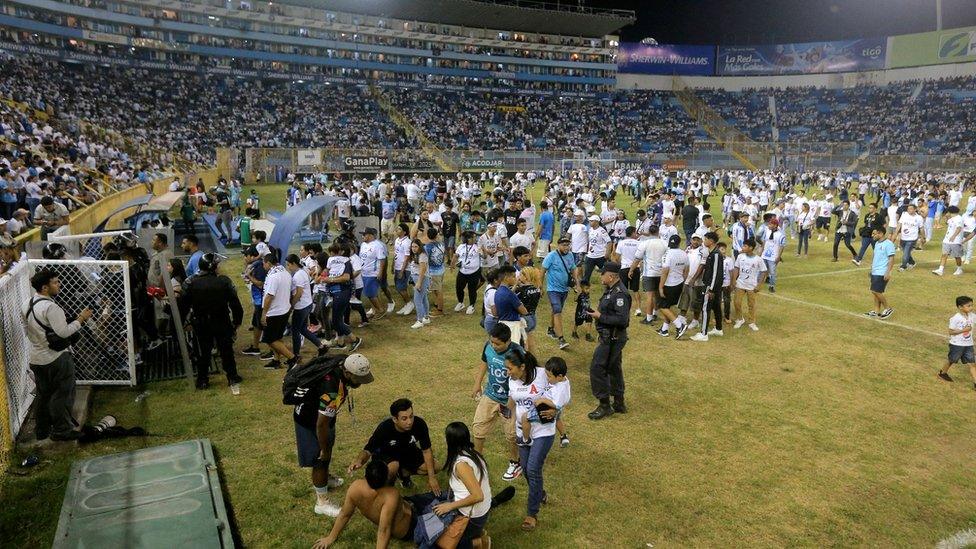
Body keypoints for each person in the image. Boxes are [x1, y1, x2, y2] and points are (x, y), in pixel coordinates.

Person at [288, 353, 374, 517]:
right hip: (310, 422)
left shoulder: (342, 364)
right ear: (347, 373)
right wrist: (323, 448)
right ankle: (322, 502)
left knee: (326, 451)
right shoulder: (330, 388)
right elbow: (321, 424)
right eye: (358, 378)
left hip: (324, 419)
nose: (361, 383)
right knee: (320, 459)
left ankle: (325, 478)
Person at [26, 269, 93, 441]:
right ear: (45, 287)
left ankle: (42, 430)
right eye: (55, 282)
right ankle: (61, 430)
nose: (59, 285)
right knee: (62, 394)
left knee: (43, 395)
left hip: (36, 358)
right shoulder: (51, 307)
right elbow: (64, 332)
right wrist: (81, 319)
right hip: (56, 357)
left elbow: (29, 330)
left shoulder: (26, 304)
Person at [312, 460, 419, 549]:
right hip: (413, 523)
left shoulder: (355, 487)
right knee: (431, 499)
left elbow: (345, 514)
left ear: (365, 475)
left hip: (407, 510)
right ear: (387, 478)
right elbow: (384, 529)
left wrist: (331, 537)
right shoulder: (391, 495)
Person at [179, 253, 244, 392]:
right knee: (226, 349)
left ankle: (202, 380)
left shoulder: (190, 282)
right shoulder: (224, 281)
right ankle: (232, 376)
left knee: (203, 351)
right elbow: (235, 304)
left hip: (201, 323)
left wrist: (183, 323)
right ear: (213, 267)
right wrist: (237, 321)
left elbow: (183, 306)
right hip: (222, 321)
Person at [504, 348, 554, 531]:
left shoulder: (542, 375)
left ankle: (531, 514)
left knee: (533, 469)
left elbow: (561, 387)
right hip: (521, 432)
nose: (507, 372)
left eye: (510, 368)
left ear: (522, 367)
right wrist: (504, 411)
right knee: (525, 469)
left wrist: (556, 409)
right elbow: (512, 401)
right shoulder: (512, 380)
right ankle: (539, 493)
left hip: (542, 431)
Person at [348, 399, 439, 492]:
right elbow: (368, 450)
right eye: (404, 418)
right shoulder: (384, 428)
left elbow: (426, 451)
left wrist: (432, 478)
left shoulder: (419, 424)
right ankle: (388, 489)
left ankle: (404, 473)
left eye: (411, 416)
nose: (409, 421)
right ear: (395, 419)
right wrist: (359, 460)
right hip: (387, 455)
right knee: (393, 467)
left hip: (408, 452)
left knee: (436, 466)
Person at [471, 323, 522, 483]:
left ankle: (515, 463)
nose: (494, 346)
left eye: (498, 344)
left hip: (510, 401)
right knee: (478, 428)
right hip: (490, 395)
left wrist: (513, 401)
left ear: (508, 342)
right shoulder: (488, 346)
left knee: (511, 435)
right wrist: (477, 383)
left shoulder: (517, 352)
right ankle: (478, 461)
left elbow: (523, 376)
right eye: (492, 342)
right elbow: (484, 363)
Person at [432, 422, 494, 548]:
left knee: (441, 543)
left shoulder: (461, 465)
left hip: (473, 517)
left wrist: (449, 506)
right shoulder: (473, 453)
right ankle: (475, 534)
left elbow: (477, 496)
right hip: (480, 512)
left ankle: (479, 542)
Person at [587, 262, 631, 420]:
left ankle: (605, 405)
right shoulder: (611, 290)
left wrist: (600, 317)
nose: (600, 276)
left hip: (612, 337)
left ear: (611, 276)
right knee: (614, 368)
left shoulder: (619, 294)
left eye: (602, 273)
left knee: (597, 368)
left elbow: (622, 319)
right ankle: (619, 402)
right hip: (611, 336)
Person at [261, 248, 299, 369]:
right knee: (277, 337)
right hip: (284, 309)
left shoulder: (273, 277)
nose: (263, 265)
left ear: (269, 263)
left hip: (275, 312)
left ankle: (293, 358)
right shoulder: (285, 273)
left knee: (270, 339)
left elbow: (269, 296)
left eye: (264, 263)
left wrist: (264, 313)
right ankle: (276, 360)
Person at [285, 254, 328, 357]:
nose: (288, 267)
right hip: (306, 304)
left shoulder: (298, 275)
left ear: (294, 264)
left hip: (301, 307)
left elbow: (298, 293)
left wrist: (291, 306)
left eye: (288, 265)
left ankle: (296, 354)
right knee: (303, 329)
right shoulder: (302, 271)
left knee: (295, 331)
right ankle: (321, 346)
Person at [541, 237, 577, 351]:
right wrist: (540, 286)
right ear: (558, 245)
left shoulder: (570, 255)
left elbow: (573, 268)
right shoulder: (551, 256)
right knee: (557, 309)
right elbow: (542, 271)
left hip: (564, 289)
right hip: (552, 289)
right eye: (564, 245)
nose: (566, 247)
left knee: (556, 309)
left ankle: (551, 329)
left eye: (568, 245)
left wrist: (578, 284)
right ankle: (561, 339)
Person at [691, 232, 724, 341]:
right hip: (715, 286)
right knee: (716, 307)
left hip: (710, 286)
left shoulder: (715, 254)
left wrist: (711, 289)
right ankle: (719, 329)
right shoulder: (713, 253)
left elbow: (715, 273)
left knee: (705, 308)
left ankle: (703, 334)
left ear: (711, 241)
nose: (704, 241)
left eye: (705, 239)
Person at [938, 296, 976, 391]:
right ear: (960, 307)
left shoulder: (972, 316)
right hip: (957, 344)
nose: (971, 307)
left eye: (972, 305)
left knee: (972, 364)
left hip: (968, 344)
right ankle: (942, 373)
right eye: (968, 306)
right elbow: (951, 332)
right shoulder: (955, 318)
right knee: (952, 360)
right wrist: (964, 330)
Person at [656, 235, 689, 338]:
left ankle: (680, 325)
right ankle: (664, 329)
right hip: (679, 282)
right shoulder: (684, 253)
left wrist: (661, 287)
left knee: (662, 306)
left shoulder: (667, 254)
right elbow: (687, 270)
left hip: (669, 284)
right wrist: (682, 279)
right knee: (668, 306)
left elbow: (665, 272)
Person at [731, 238, 767, 331]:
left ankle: (752, 322)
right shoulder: (740, 257)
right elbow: (736, 268)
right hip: (740, 283)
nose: (743, 247)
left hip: (752, 285)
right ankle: (739, 319)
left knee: (751, 304)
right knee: (737, 302)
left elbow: (764, 271)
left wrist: (759, 285)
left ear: (751, 248)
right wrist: (734, 280)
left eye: (745, 246)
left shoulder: (758, 259)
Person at [240, 247, 269, 358]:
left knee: (264, 325)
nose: (244, 258)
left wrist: (249, 277)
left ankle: (272, 350)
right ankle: (255, 347)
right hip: (258, 301)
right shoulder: (255, 265)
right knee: (256, 324)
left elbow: (260, 283)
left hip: (261, 301)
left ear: (251, 256)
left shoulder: (259, 266)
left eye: (245, 256)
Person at [358, 227, 389, 318]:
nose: (362, 236)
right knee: (369, 293)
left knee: (371, 294)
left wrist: (380, 273)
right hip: (364, 272)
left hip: (372, 273)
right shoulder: (363, 244)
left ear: (370, 235)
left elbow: (382, 259)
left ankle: (381, 310)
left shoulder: (377, 245)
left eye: (364, 234)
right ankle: (375, 310)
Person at [866, 227, 896, 319]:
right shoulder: (877, 244)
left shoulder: (888, 244)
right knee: (876, 292)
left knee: (875, 291)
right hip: (875, 271)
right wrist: (872, 269)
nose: (872, 236)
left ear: (881, 233)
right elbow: (876, 258)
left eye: (874, 234)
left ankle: (888, 308)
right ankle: (876, 311)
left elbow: (891, 259)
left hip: (882, 272)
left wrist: (888, 272)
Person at [494, 265, 527, 346]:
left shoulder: (498, 292)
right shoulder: (510, 294)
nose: (515, 279)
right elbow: (524, 311)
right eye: (513, 276)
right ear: (506, 278)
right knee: (514, 350)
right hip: (513, 326)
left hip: (502, 324)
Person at [454, 230, 483, 315]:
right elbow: (456, 255)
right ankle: (460, 302)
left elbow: (484, 256)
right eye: (474, 237)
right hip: (462, 271)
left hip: (474, 272)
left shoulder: (477, 247)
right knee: (459, 287)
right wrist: (453, 264)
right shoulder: (461, 247)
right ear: (468, 238)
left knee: (472, 289)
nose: (475, 238)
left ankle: (471, 305)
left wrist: (483, 251)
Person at [933, 205, 965, 277]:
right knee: (944, 254)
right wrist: (947, 217)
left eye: (947, 212)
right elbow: (947, 223)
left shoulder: (959, 219)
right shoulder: (951, 219)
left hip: (955, 241)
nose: (946, 213)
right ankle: (940, 270)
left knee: (957, 256)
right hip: (947, 240)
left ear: (950, 212)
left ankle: (959, 269)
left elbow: (959, 228)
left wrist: (953, 236)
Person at [407, 238, 431, 329]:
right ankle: (426, 317)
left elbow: (422, 269)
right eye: (412, 246)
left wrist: (419, 283)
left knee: (417, 300)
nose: (413, 248)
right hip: (417, 277)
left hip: (421, 278)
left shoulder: (422, 255)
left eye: (416, 247)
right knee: (424, 298)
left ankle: (420, 320)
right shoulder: (415, 255)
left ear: (420, 247)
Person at [582, 215, 611, 283]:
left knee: (606, 273)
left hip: (600, 256)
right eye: (590, 221)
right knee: (586, 275)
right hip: (590, 256)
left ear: (597, 222)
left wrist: (607, 253)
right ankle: (584, 291)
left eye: (592, 221)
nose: (590, 222)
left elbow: (609, 242)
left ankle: (609, 287)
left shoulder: (602, 231)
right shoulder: (591, 229)